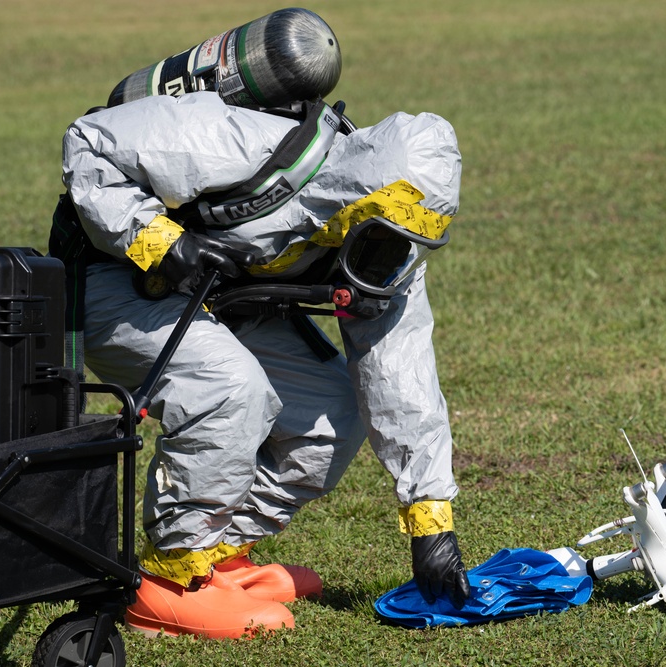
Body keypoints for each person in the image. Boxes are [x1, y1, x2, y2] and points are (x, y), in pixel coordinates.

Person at [50, 81, 470, 638]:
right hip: (115, 278)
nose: (388, 256)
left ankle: (217, 555)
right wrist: (162, 243)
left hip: (219, 298)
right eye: (381, 237)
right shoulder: (242, 144)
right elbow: (89, 142)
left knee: (329, 418)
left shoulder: (393, 251)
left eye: (406, 242)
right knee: (229, 389)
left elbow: (402, 376)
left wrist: (431, 522)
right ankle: (172, 581)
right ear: (357, 199)